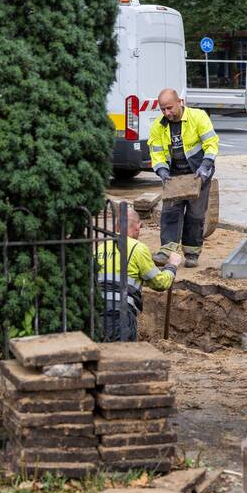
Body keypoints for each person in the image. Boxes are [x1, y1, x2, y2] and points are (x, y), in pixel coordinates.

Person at [148, 88, 219, 267]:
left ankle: (192, 253)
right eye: (163, 109)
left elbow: (211, 143)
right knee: (170, 211)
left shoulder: (198, 117)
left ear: (179, 102)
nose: (167, 113)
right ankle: (166, 251)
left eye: (169, 108)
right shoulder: (158, 125)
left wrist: (205, 166)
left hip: (198, 173)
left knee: (195, 214)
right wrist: (162, 171)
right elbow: (156, 152)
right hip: (174, 175)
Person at [97, 205, 182, 341]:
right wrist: (172, 265)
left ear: (116, 227)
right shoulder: (138, 248)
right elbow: (160, 283)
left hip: (96, 314)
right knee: (122, 352)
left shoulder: (101, 248)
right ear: (138, 227)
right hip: (120, 316)